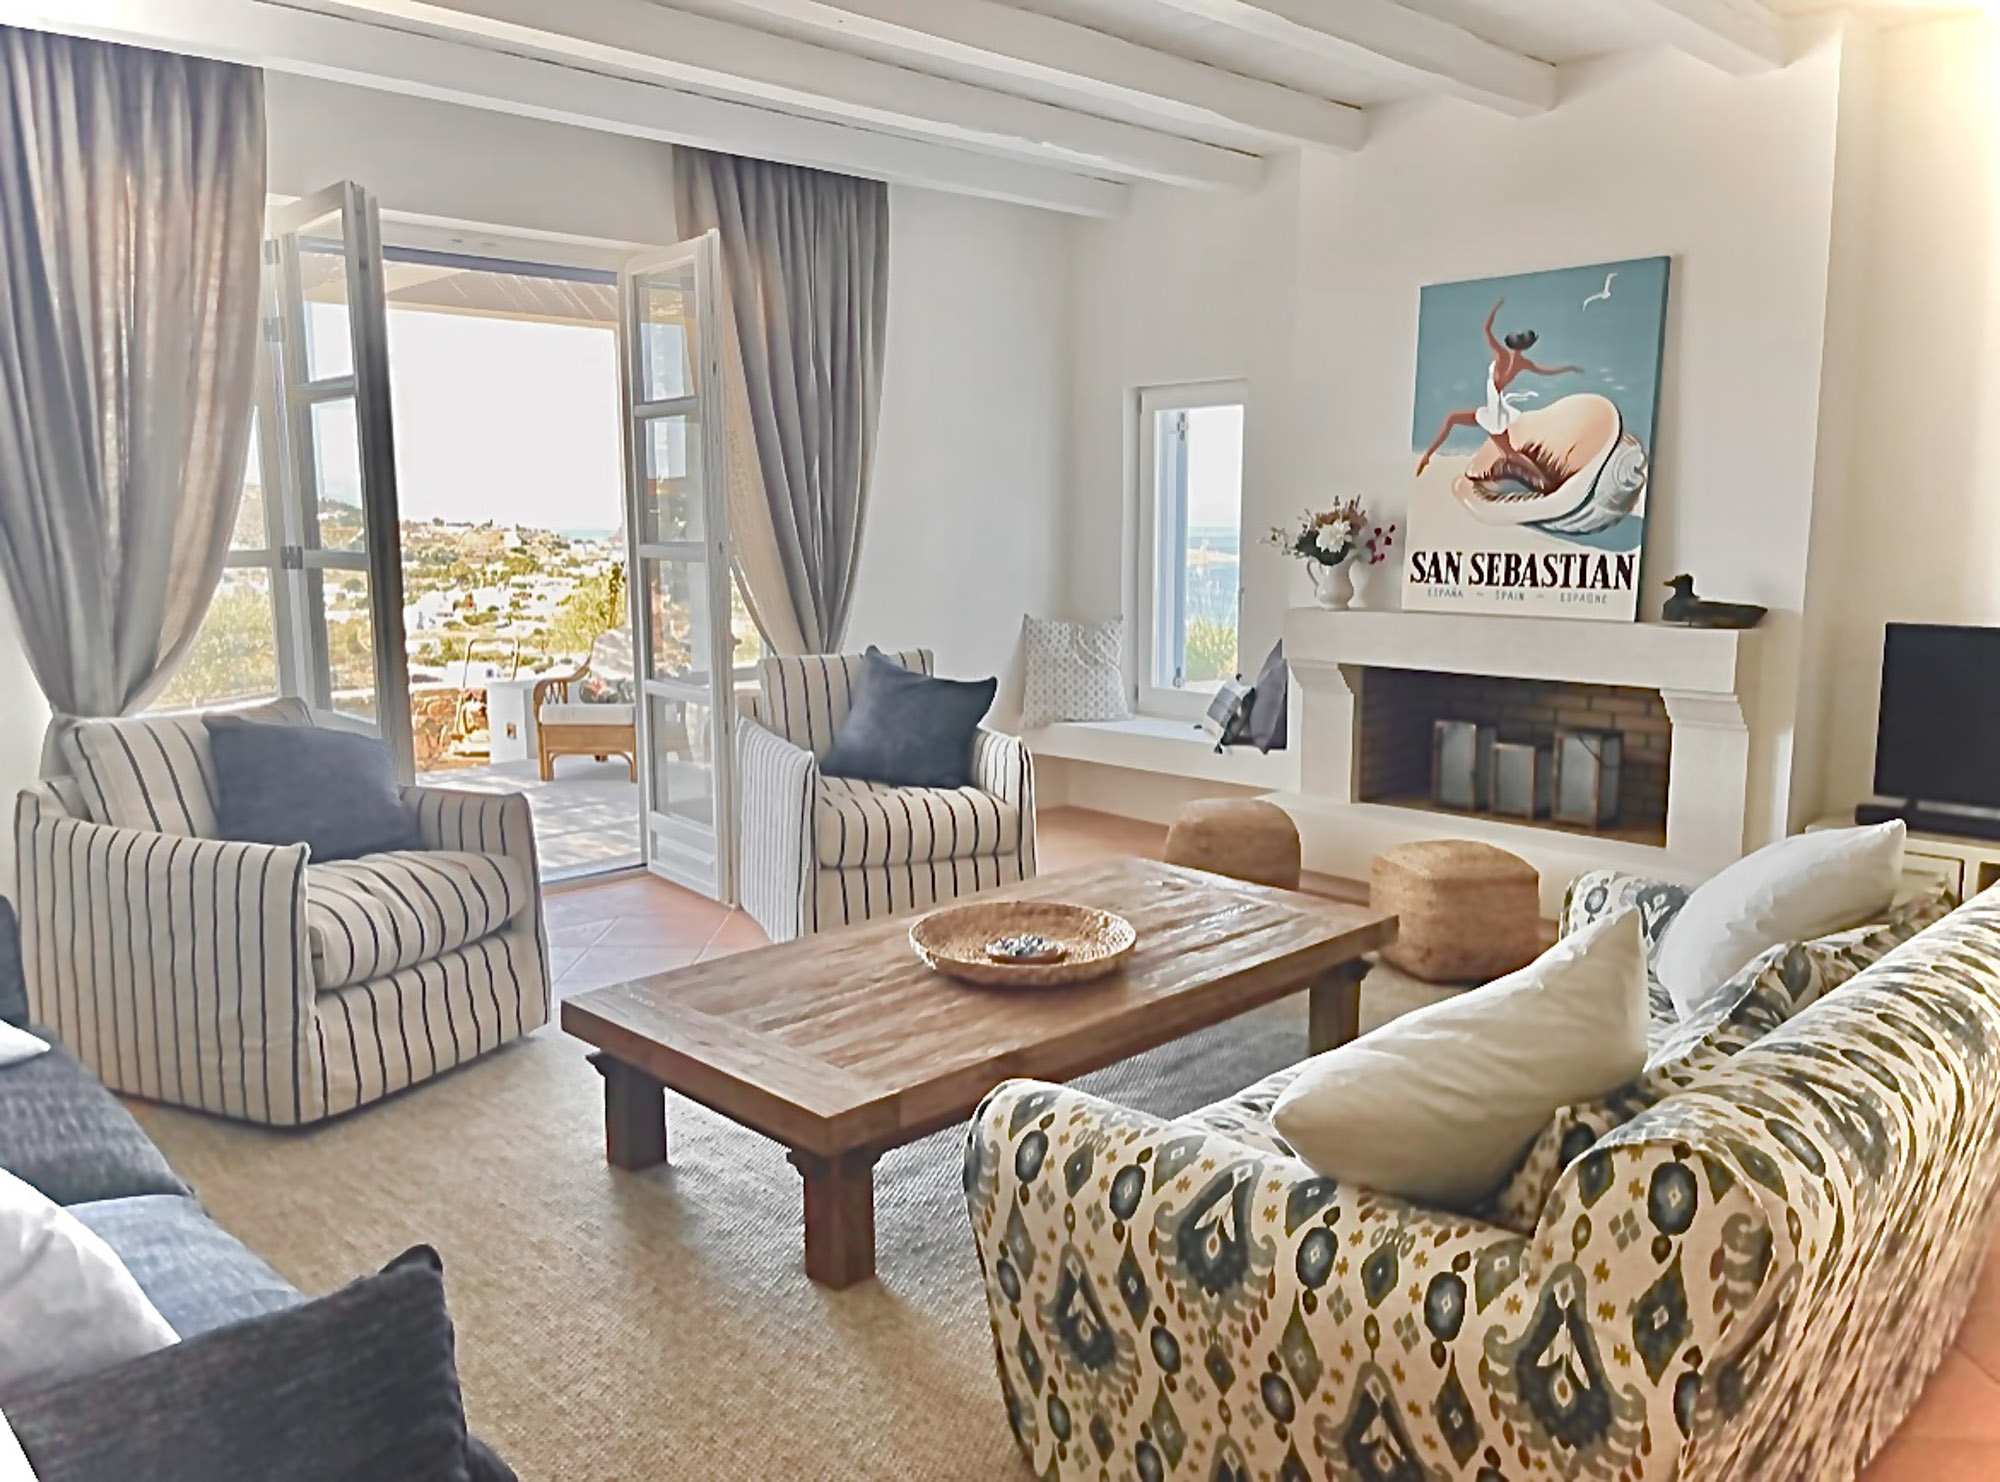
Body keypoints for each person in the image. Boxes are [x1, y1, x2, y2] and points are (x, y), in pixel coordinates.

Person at [1416, 299, 1584, 477]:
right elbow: (1546, 371)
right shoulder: (1523, 363)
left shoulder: (1502, 355)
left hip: (1494, 408)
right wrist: (1568, 368)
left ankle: (1544, 478)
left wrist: (1496, 307)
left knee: (1505, 451)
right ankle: (1427, 456)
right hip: (1495, 406)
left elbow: (1486, 330)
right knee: (1499, 447)